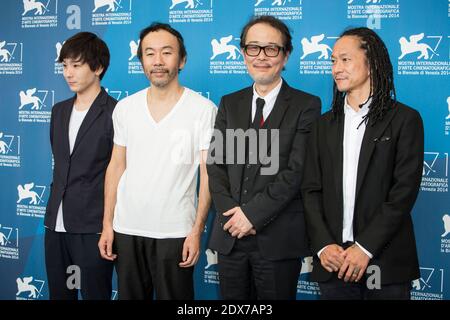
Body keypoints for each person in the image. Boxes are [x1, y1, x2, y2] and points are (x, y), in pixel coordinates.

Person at [301, 27, 424, 300]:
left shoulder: (405, 119)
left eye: (345, 59)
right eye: (333, 61)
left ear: (373, 64)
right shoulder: (323, 125)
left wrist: (364, 248)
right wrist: (323, 246)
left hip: (385, 261)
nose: (336, 68)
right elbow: (310, 190)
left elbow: (402, 193)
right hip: (333, 262)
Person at [98, 22, 217, 300]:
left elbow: (208, 174)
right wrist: (107, 224)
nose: (158, 61)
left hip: (175, 231)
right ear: (141, 61)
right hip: (126, 230)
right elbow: (116, 167)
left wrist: (197, 230)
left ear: (182, 59)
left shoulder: (203, 110)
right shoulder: (125, 109)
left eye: (167, 52)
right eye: (149, 54)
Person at [207, 15, 321, 300]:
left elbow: (296, 171)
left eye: (271, 49)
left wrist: (252, 215)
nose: (261, 56)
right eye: (253, 48)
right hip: (230, 235)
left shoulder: (306, 105)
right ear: (243, 53)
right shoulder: (229, 103)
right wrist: (233, 216)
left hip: (278, 239)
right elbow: (216, 164)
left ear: (286, 56)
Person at [45, 32, 116, 300]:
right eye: (64, 66)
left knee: (95, 294)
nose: (68, 73)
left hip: (92, 225)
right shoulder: (58, 111)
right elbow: (61, 164)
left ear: (97, 68)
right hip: (55, 223)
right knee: (59, 295)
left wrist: (106, 225)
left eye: (76, 65)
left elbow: (117, 172)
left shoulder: (115, 112)